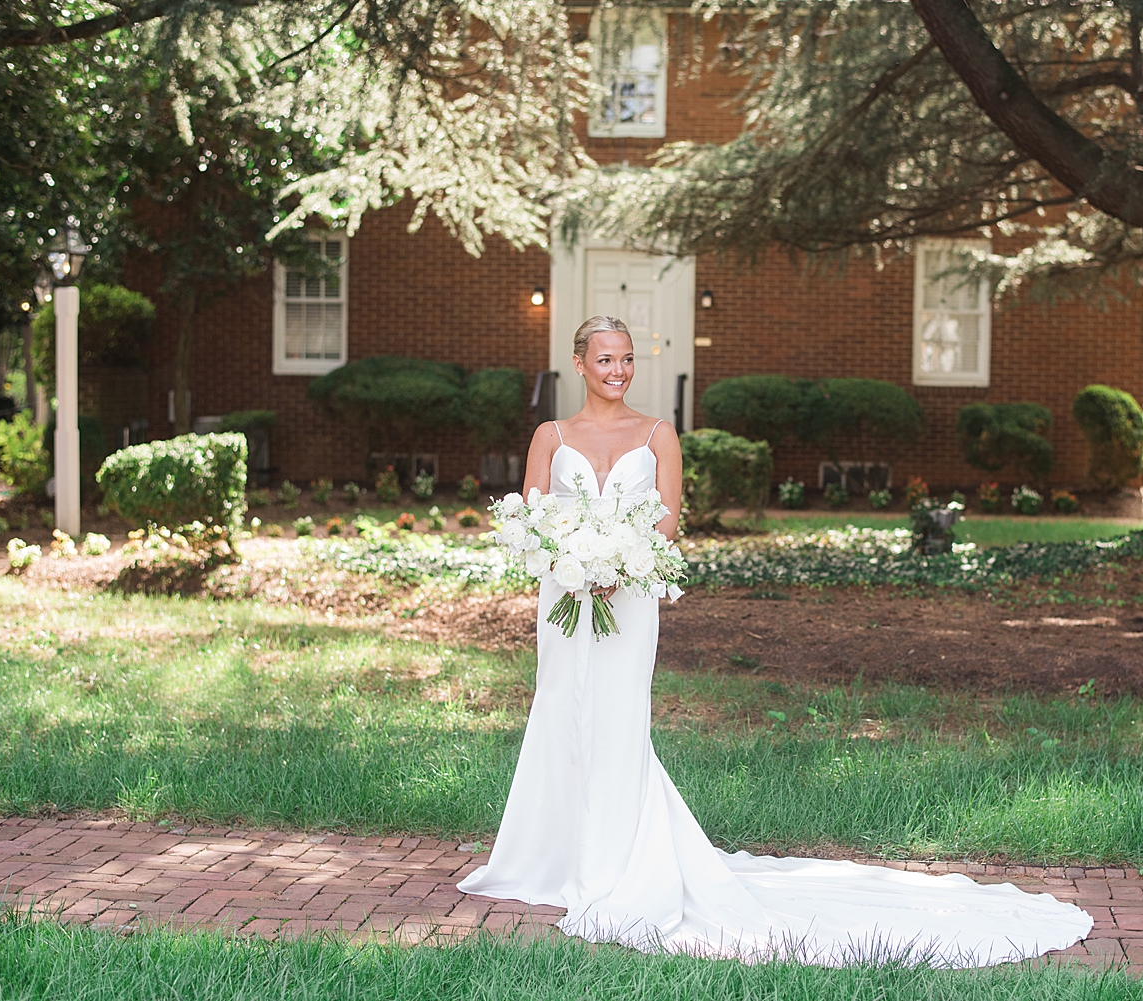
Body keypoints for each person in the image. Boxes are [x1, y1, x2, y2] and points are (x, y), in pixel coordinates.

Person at [457, 316, 1093, 966]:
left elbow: (668, 521)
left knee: (619, 720)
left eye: (626, 360)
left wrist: (617, 564)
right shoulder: (551, 434)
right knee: (561, 707)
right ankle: (550, 855)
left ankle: (617, 858)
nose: (618, 371)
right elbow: (531, 513)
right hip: (565, 594)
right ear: (579, 362)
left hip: (630, 594)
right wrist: (575, 559)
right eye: (605, 359)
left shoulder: (657, 434)